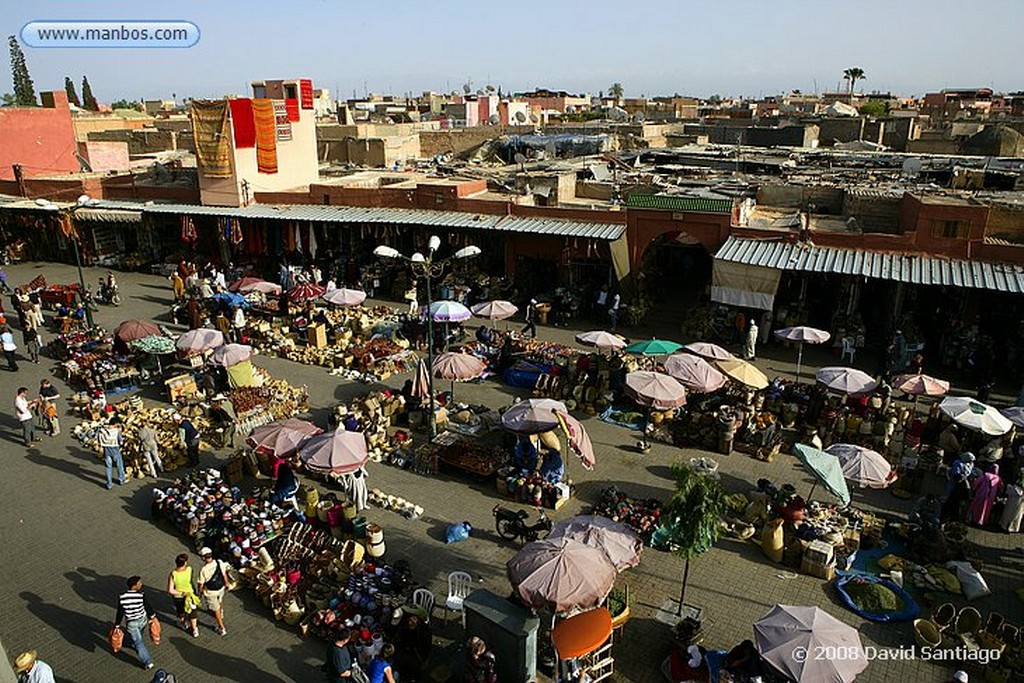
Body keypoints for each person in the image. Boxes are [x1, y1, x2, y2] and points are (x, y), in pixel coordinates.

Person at [114, 575, 158, 670]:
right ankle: (147, 660)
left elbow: (120, 612)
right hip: (142, 619)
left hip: (131, 623)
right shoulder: (141, 595)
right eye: (139, 583)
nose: (141, 584)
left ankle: (138, 648)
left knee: (138, 640)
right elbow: (148, 607)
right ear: (134, 586)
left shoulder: (122, 597)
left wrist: (117, 625)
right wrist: (153, 617)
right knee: (139, 640)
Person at [196, 547, 231, 636]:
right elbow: (224, 574)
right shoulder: (219, 562)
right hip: (220, 588)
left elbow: (201, 584)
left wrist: (199, 593)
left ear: (203, 558)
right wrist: (227, 583)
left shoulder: (203, 570)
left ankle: (221, 628)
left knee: (215, 609)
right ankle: (221, 612)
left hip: (210, 592)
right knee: (220, 600)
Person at [393, 613, 432, 682]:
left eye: (413, 620)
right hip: (409, 650)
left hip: (418, 654)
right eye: (410, 620)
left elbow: (424, 648)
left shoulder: (424, 631)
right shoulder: (406, 627)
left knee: (414, 669)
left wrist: (423, 660)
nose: (410, 622)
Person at [167, 554, 199, 637]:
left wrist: (181, 593)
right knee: (192, 613)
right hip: (190, 595)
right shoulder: (189, 569)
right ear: (184, 563)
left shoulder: (173, 574)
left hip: (179, 597)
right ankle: (195, 630)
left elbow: (170, 590)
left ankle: (183, 623)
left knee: (181, 612)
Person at [942, 451, 976, 521]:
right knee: (950, 499)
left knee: (954, 501)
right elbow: (956, 475)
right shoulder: (958, 463)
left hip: (960, 486)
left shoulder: (969, 464)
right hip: (955, 484)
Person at [98, 418, 126, 489]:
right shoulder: (116, 431)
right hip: (115, 450)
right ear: (116, 424)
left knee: (108, 467)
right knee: (119, 466)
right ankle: (121, 480)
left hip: (107, 452)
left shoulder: (102, 431)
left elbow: (99, 440)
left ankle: (109, 484)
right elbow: (121, 441)